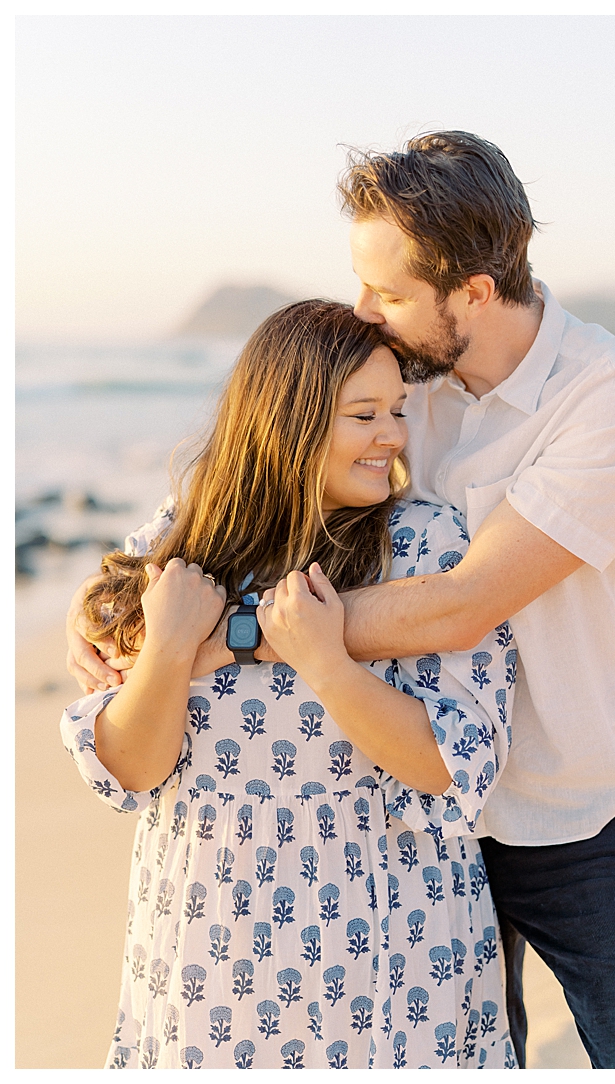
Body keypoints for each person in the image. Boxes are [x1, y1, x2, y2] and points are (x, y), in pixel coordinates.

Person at [66, 131, 615, 1068]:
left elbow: (461, 605)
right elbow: (261, 468)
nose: (365, 308)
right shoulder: (407, 378)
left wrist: (230, 633)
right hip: (407, 836)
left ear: (477, 292)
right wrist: (124, 621)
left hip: (570, 806)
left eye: (392, 292)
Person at [60, 301, 518, 1068]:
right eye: (364, 414)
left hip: (390, 958)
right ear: (288, 418)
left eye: (397, 411)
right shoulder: (182, 546)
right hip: (207, 958)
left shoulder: (427, 544)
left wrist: (328, 664)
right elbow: (130, 771)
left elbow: (447, 764)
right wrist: (171, 648)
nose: (394, 437)